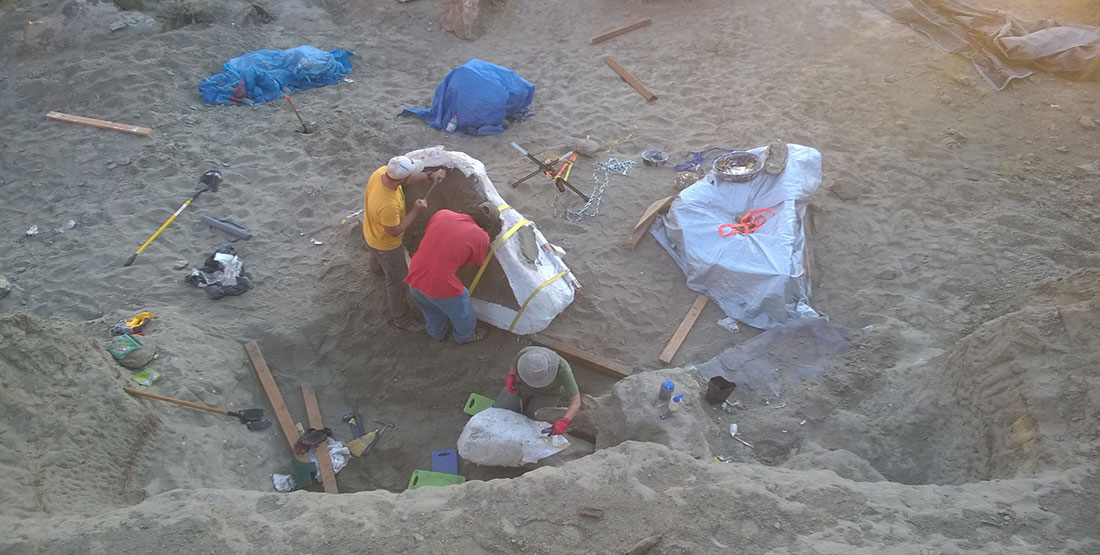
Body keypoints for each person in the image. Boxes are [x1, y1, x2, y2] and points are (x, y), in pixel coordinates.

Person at [362, 155, 444, 331]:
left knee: (376, 255)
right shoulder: (388, 204)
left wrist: (430, 175)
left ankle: (376, 269)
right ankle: (401, 318)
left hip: (370, 232)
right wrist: (416, 211)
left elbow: (406, 179)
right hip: (387, 246)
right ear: (400, 179)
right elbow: (394, 231)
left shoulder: (381, 173)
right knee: (396, 281)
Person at [404, 201, 502, 343]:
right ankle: (465, 336)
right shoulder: (482, 237)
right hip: (439, 285)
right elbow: (466, 268)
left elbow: (432, 237)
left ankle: (436, 333)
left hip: (414, 275)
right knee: (463, 309)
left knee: (430, 309)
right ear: (489, 225)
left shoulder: (443, 214)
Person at [494, 346, 580, 436]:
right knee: (500, 411)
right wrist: (511, 376)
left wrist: (564, 421)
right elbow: (514, 362)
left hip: (548, 393)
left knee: (534, 423)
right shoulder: (525, 353)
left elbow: (576, 400)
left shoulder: (563, 368)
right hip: (523, 386)